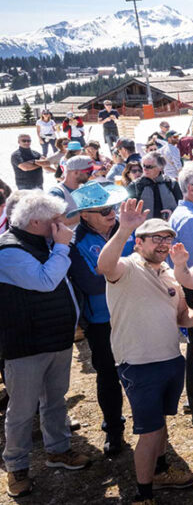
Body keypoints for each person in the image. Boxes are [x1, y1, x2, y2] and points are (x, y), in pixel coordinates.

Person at [98, 203, 193, 503]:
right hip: (139, 364)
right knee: (149, 432)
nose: (163, 244)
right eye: (156, 239)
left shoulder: (168, 273)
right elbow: (104, 266)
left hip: (170, 360)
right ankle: (143, 495)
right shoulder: (126, 267)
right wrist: (124, 227)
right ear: (139, 243)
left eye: (167, 239)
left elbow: (182, 318)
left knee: (161, 423)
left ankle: (161, 470)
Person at [0, 192, 90, 498]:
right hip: (26, 345)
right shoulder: (8, 250)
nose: (60, 224)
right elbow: (45, 280)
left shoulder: (42, 243)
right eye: (54, 219)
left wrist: (59, 244)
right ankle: (17, 467)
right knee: (23, 410)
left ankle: (58, 451)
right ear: (36, 221)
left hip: (55, 338)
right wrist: (62, 245)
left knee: (55, 400)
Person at [66, 182, 131, 457]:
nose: (111, 213)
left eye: (113, 207)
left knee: (140, 371)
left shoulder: (128, 230)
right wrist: (129, 274)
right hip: (102, 321)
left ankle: (151, 430)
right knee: (107, 375)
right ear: (84, 214)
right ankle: (114, 430)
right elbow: (91, 285)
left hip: (133, 313)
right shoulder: (74, 242)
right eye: (103, 209)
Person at [129, 152, 182, 220]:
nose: (145, 169)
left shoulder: (171, 183)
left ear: (160, 168)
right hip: (145, 228)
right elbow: (127, 211)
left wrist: (173, 215)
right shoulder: (135, 186)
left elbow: (181, 207)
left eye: (149, 167)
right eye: (143, 165)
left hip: (168, 226)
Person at [49, 154, 94, 226]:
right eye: (89, 172)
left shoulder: (84, 187)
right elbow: (55, 221)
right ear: (76, 173)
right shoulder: (56, 193)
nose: (91, 175)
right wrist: (90, 214)